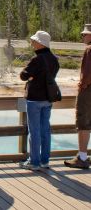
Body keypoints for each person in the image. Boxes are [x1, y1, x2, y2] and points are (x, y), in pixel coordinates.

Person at [19, 31, 59, 170]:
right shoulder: (54, 59)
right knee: (45, 130)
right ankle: (44, 161)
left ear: (40, 43)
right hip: (48, 99)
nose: (32, 43)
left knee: (34, 131)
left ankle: (34, 162)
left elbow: (23, 75)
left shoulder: (37, 59)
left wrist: (31, 77)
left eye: (34, 41)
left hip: (34, 99)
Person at [64, 24, 91, 169]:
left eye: (85, 34)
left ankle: (82, 157)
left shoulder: (89, 50)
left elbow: (87, 73)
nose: (83, 36)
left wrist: (82, 86)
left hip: (88, 93)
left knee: (83, 123)